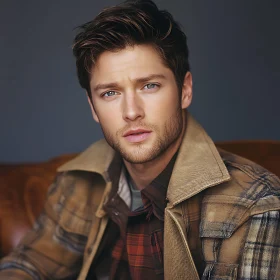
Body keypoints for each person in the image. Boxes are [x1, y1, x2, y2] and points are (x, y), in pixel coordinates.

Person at [1, 0, 280, 279]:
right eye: (110, 93)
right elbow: (30, 264)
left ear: (185, 90)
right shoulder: (78, 182)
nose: (131, 112)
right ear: (92, 107)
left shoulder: (253, 205)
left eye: (149, 86)